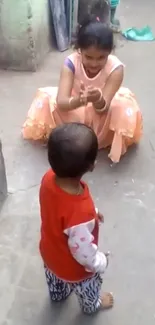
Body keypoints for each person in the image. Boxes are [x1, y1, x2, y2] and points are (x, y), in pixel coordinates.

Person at [22, 16, 142, 163]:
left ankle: (97, 137)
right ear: (79, 50)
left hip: (102, 111)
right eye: (89, 57)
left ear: (110, 53)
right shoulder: (70, 63)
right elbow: (62, 102)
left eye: (101, 58)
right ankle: (74, 134)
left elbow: (103, 109)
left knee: (123, 108)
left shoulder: (116, 69)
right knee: (45, 99)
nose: (94, 63)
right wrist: (80, 100)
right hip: (74, 105)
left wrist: (97, 99)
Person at [39, 123, 113, 314]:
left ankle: (58, 294)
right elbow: (84, 254)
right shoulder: (82, 214)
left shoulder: (48, 179)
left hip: (49, 253)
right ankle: (92, 305)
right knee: (88, 286)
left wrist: (92, 212)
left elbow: (60, 209)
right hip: (74, 270)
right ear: (92, 166)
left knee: (55, 280)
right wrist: (100, 263)